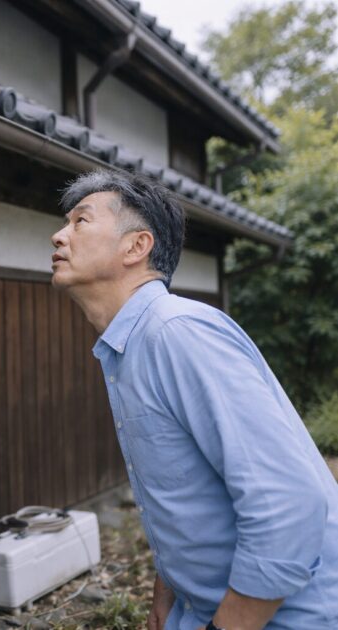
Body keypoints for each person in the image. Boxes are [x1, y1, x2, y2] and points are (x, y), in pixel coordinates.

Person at [50, 170, 338, 630]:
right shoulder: (128, 343)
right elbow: (184, 491)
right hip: (203, 607)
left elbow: (289, 503)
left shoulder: (176, 333)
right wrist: (168, 593)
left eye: (80, 221)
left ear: (135, 247)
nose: (59, 235)